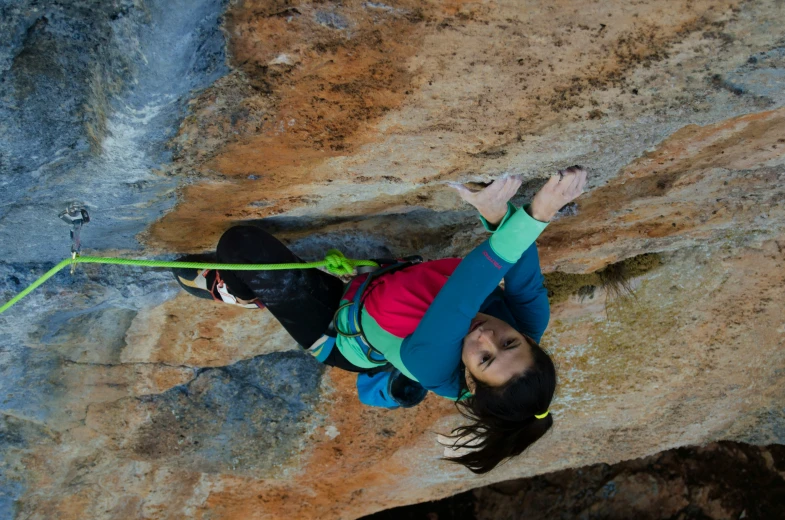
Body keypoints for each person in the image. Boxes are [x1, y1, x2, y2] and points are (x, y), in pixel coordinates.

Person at [173, 166, 588, 473]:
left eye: (485, 360)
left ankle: (238, 292)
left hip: (337, 330)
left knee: (242, 247)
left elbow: (466, 287)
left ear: (470, 380)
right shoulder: (530, 320)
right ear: (530, 341)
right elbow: (521, 264)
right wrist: (495, 211)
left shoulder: (434, 364)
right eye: (511, 344)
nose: (487, 337)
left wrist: (539, 211)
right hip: (380, 289)